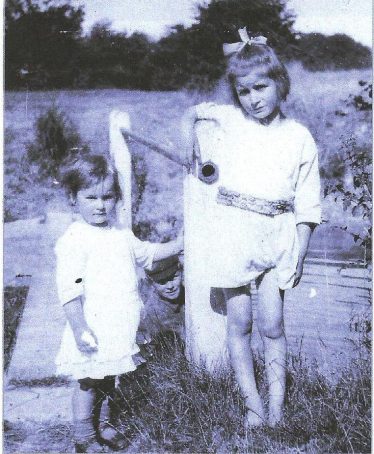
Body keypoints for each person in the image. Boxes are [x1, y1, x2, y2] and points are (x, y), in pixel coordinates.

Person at [180, 28, 321, 428]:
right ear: (235, 94)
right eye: (244, 91)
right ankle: (253, 407)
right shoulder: (229, 120)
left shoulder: (299, 137)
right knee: (239, 324)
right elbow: (193, 113)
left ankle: (277, 407)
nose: (253, 98)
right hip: (232, 234)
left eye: (261, 87)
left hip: (277, 235)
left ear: (280, 84)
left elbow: (309, 205)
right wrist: (188, 141)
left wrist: (299, 251)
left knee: (273, 325)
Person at [54, 154, 183, 452]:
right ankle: (84, 436)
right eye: (91, 197)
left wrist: (178, 245)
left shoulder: (121, 234)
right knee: (88, 380)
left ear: (117, 198)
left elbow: (147, 254)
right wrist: (79, 329)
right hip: (92, 326)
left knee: (110, 378)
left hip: (118, 325)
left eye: (107, 197)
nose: (100, 205)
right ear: (73, 198)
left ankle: (106, 426)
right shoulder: (74, 239)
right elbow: (69, 292)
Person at [139, 254, 185, 341]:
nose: (170, 286)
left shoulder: (190, 296)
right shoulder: (153, 314)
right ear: (151, 283)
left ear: (181, 272)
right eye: (162, 282)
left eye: (173, 278)